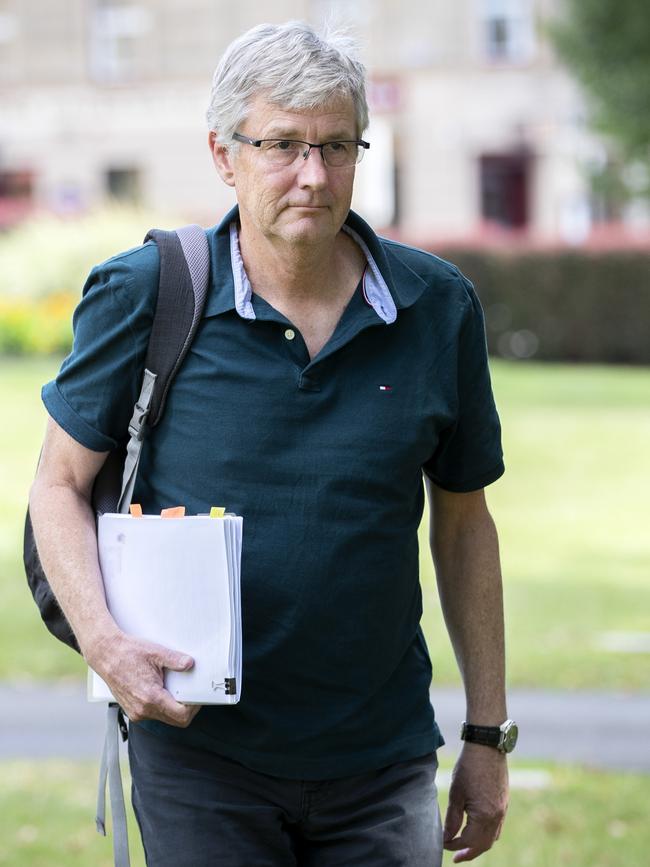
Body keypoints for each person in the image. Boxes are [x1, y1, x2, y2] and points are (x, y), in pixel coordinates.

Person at [29, 20, 515, 867]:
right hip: (200, 756)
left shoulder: (438, 307)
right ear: (224, 154)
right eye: (283, 144)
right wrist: (107, 647)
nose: (313, 175)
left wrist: (485, 731)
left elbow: (464, 522)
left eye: (336, 145)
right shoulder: (148, 293)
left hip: (383, 759)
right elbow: (57, 486)